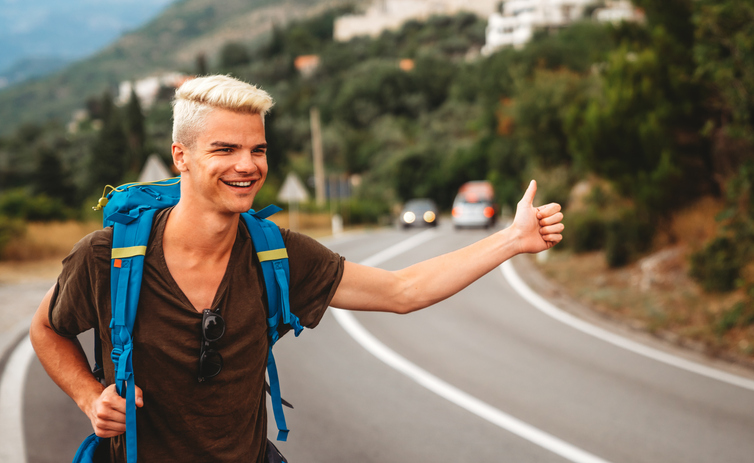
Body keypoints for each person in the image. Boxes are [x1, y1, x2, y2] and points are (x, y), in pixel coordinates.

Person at [29, 75, 564, 462]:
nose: (248, 165)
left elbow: (403, 290)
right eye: (225, 148)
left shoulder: (277, 253)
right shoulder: (107, 256)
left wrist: (511, 240)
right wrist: (88, 395)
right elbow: (47, 329)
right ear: (181, 156)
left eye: (258, 149)